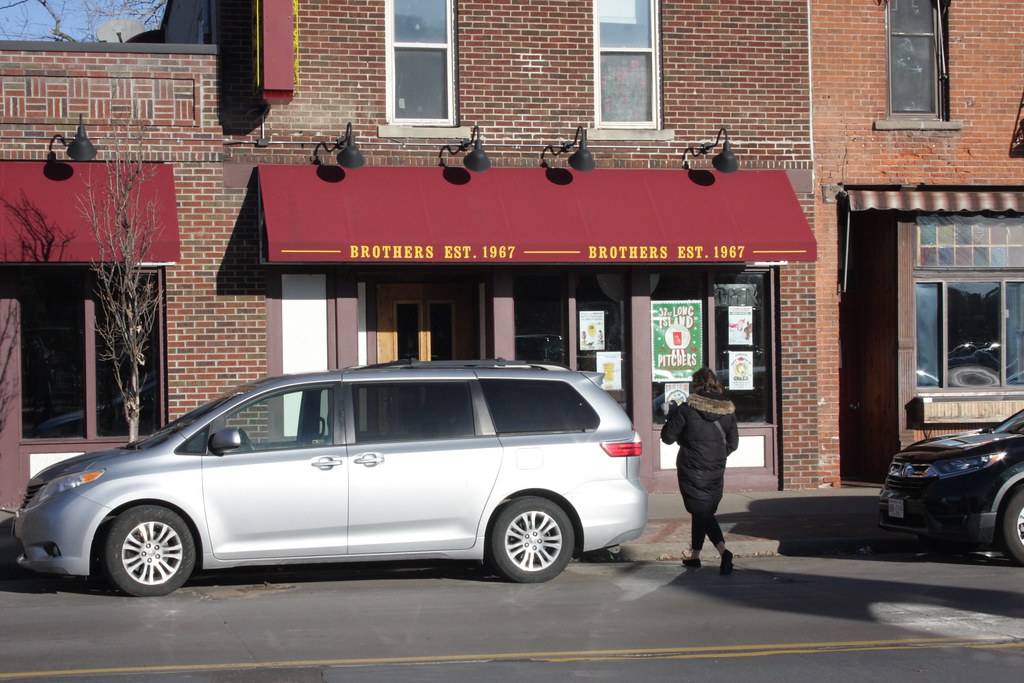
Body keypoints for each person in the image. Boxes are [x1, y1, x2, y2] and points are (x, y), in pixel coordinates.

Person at [660, 367, 739, 574]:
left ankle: (724, 551)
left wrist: (670, 415)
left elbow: (667, 438)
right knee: (702, 510)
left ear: (696, 385)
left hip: (691, 468)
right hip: (716, 467)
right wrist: (717, 455)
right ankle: (695, 555)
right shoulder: (728, 410)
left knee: (701, 510)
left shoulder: (687, 409)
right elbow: (733, 443)